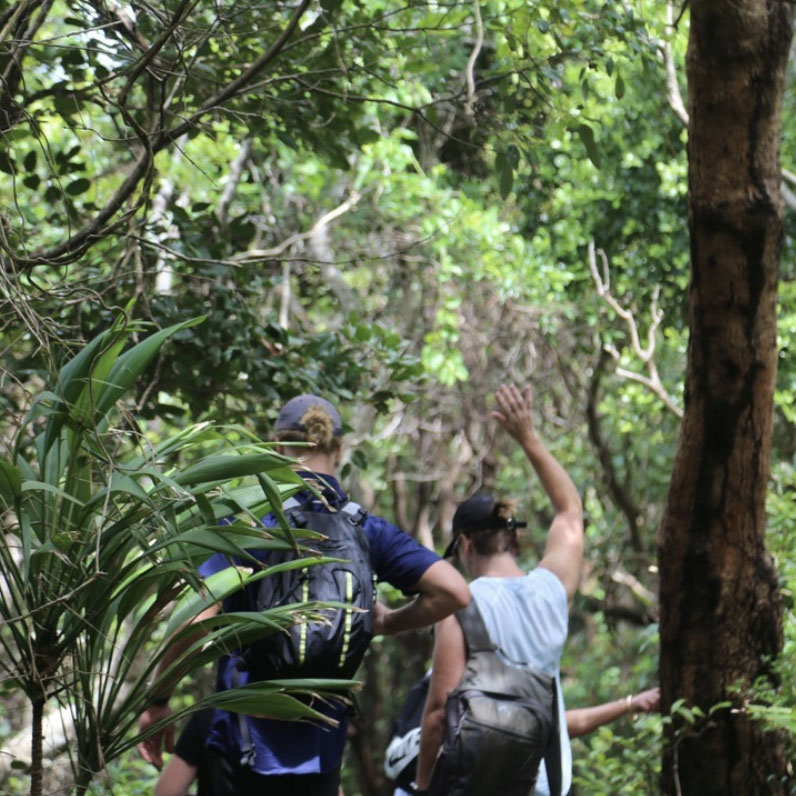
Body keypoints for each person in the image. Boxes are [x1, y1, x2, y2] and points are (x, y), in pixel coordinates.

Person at [139, 394, 470, 796]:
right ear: (339, 449)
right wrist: (385, 622)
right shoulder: (367, 530)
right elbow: (453, 591)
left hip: (243, 741)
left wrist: (159, 699)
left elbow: (196, 620)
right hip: (323, 746)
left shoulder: (247, 523)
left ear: (277, 447)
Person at [415, 383, 584, 796]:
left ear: (467, 545)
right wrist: (528, 437)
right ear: (515, 541)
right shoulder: (553, 590)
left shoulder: (460, 606)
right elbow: (570, 512)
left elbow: (438, 713)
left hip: (481, 781)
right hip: (546, 779)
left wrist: (422, 785)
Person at [385, 676, 660, 796]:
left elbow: (560, 726)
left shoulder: (522, 675)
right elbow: (395, 762)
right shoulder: (442, 685)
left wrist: (629, 704)